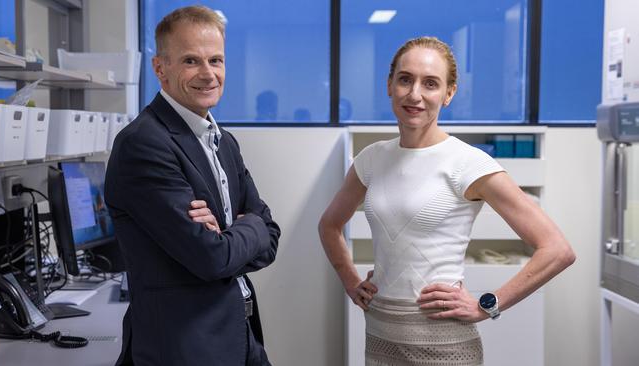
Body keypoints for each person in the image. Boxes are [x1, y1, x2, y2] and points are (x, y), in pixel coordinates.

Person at [318, 36, 575, 366]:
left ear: (449, 93)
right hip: (380, 336)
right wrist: (352, 282)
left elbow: (557, 249)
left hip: (445, 344)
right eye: (405, 79)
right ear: (390, 85)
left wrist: (488, 304)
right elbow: (329, 225)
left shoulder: (467, 162)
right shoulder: (371, 159)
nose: (415, 95)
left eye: (430, 84)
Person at [104, 6, 280, 366]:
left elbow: (271, 237)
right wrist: (251, 225)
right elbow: (211, 258)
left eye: (216, 60)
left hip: (241, 333)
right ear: (160, 69)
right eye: (190, 61)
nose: (208, 74)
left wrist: (237, 231)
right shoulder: (144, 144)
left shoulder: (223, 141)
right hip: (184, 347)